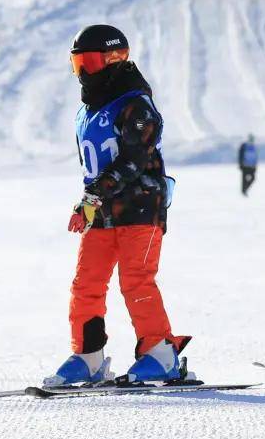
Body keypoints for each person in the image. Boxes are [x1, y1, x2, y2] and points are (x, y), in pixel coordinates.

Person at [46, 24, 189, 386]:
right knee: (86, 284)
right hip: (103, 211)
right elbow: (92, 166)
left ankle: (160, 354)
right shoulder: (88, 110)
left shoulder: (135, 103)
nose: (83, 72)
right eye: (77, 64)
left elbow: (134, 159)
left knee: (136, 281)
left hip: (140, 207)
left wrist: (96, 193)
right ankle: (88, 356)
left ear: (114, 59)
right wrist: (88, 203)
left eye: (89, 63)